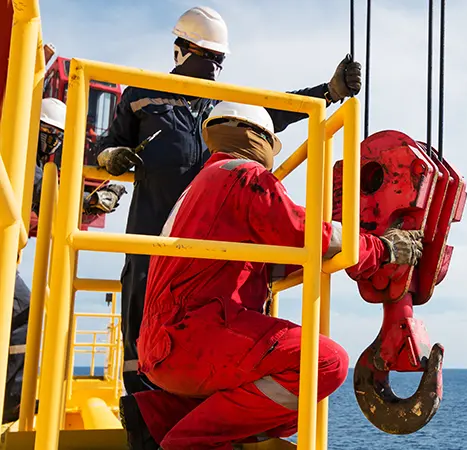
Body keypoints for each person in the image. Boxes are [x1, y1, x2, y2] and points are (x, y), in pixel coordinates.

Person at [117, 102, 423, 449]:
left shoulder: (201, 187)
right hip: (195, 337)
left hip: (163, 350)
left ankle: (158, 415)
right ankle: (186, 440)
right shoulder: (244, 176)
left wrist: (346, 256)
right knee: (324, 363)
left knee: (279, 395)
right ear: (260, 140)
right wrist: (381, 249)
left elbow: (274, 257)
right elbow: (302, 232)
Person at [93, 5, 364, 396]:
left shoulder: (222, 101)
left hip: (213, 246)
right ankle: (143, 419)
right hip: (151, 238)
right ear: (180, 50)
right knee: (141, 336)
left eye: (219, 59)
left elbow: (276, 108)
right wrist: (110, 158)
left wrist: (328, 92)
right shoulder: (141, 95)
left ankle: (205, 412)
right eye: (208, 56)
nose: (214, 68)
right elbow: (107, 142)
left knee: (224, 324)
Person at [2, 97, 126, 423]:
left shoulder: (23, 153)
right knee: (22, 315)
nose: (52, 142)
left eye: (58, 136)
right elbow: (47, 197)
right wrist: (93, 201)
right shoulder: (20, 153)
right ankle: (11, 404)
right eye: (48, 133)